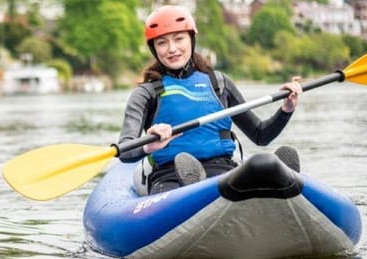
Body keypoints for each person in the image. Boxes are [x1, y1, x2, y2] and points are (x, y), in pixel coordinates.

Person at [117, 5, 304, 195]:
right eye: (162, 43)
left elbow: (261, 135)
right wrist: (148, 146)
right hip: (169, 176)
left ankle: (279, 180)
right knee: (186, 178)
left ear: (191, 39)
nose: (172, 49)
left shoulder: (219, 83)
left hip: (223, 171)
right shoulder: (146, 93)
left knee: (260, 164)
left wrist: (286, 109)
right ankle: (193, 187)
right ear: (154, 49)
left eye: (179, 39)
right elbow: (125, 151)